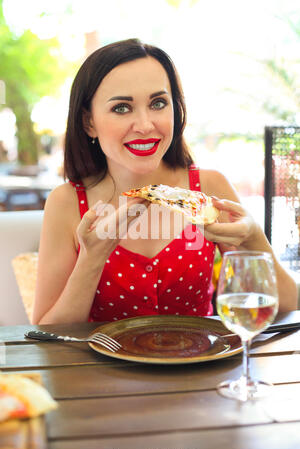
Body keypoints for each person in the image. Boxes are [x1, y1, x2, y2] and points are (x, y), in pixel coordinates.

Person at [32, 38, 298, 325]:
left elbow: (288, 303)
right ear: (89, 123)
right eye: (122, 108)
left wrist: (253, 236)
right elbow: (46, 336)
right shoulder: (67, 202)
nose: (146, 125)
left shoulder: (209, 188)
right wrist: (92, 259)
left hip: (204, 366)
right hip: (102, 369)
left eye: (158, 103)